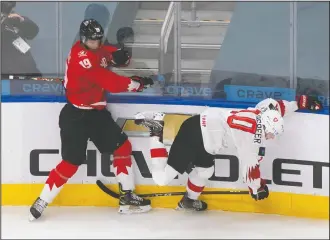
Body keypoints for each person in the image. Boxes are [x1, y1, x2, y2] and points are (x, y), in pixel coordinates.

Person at [29, 19, 154, 221]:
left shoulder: (96, 48)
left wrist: (121, 55)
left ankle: (128, 198)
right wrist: (137, 84)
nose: (96, 43)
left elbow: (108, 55)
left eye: (98, 39)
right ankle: (42, 200)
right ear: (83, 39)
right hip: (75, 116)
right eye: (92, 40)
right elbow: (110, 82)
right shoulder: (82, 58)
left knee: (122, 146)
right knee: (71, 162)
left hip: (96, 114)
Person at [134, 95, 323, 211]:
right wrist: (257, 189)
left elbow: (278, 107)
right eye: (270, 132)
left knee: (205, 171)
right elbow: (250, 170)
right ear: (264, 126)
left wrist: (300, 102)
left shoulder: (261, 113)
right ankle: (156, 131)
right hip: (195, 134)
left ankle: (189, 201)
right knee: (161, 179)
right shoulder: (251, 137)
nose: (270, 136)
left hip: (207, 139)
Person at [1, 1, 41, 78]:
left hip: (27, 71)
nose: (10, 4)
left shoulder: (14, 19)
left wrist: (21, 20)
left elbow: (33, 32)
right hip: (6, 74)